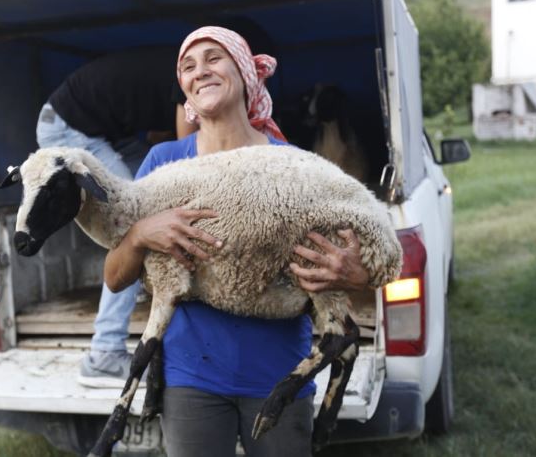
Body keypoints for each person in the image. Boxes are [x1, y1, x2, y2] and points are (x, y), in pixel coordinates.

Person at [103, 26, 371, 457]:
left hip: (279, 377)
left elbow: (359, 278)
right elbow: (114, 278)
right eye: (188, 66)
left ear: (245, 73)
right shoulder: (163, 163)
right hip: (192, 381)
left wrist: (357, 276)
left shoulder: (292, 167)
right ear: (185, 91)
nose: (200, 71)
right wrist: (138, 235)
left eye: (213, 59)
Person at [35, 46, 196, 388]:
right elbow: (189, 157)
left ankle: (138, 280)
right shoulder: (187, 79)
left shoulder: (179, 70)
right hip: (67, 128)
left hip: (107, 132)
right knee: (131, 225)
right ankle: (105, 352)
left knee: (152, 191)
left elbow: (158, 141)